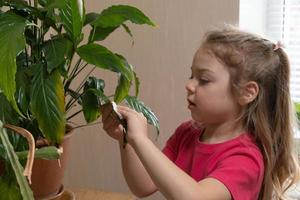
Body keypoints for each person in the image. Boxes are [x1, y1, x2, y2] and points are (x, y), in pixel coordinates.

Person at [101, 26, 299, 200]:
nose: (189, 85)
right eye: (191, 76)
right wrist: (126, 139)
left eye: (203, 80)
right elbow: (143, 186)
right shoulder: (187, 133)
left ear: (247, 92)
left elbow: (195, 197)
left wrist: (142, 140)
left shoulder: (246, 158)